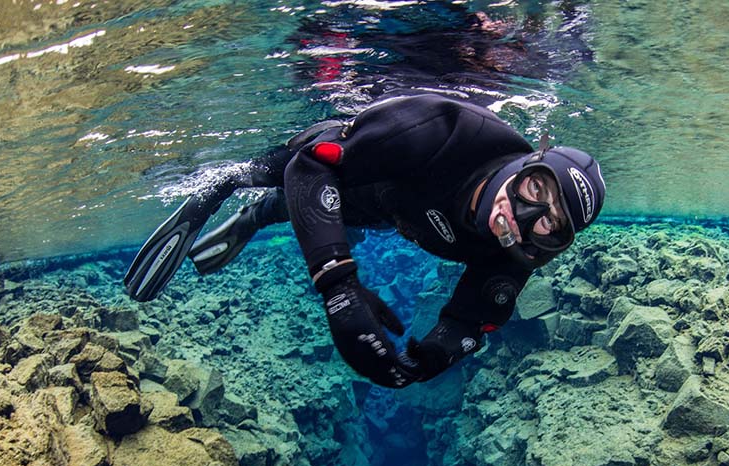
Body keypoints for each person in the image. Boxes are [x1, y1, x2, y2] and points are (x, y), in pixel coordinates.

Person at [124, 94, 605, 388]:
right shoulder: (445, 131)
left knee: (350, 217)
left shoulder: (521, 254)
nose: (525, 214)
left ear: (556, 242)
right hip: (362, 165)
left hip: (386, 210)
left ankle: (265, 213)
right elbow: (312, 167)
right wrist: (339, 285)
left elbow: (470, 321)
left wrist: (423, 362)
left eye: (551, 222)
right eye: (536, 189)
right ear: (527, 165)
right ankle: (226, 186)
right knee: (306, 162)